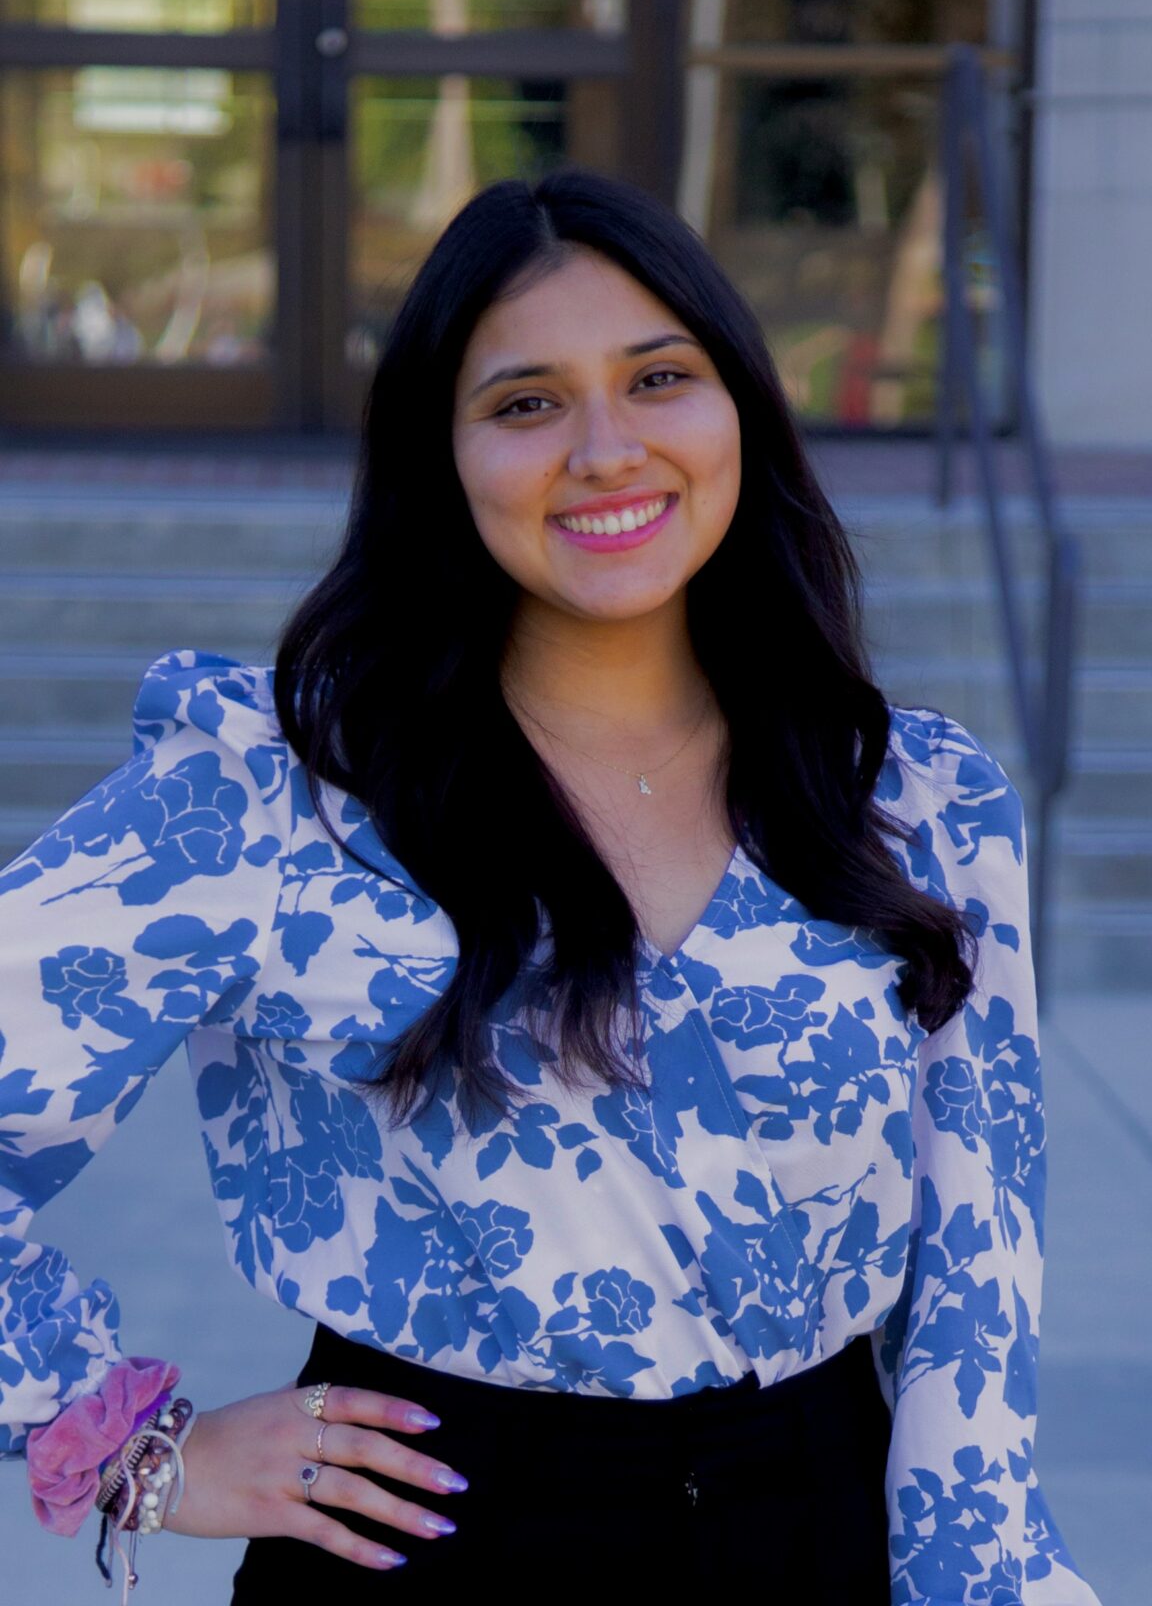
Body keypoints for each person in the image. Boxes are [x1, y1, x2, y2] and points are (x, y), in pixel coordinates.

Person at [0, 169, 1100, 1605]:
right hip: (441, 1537)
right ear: (440, 456)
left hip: (817, 1529)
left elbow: (978, 1265)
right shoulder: (274, 798)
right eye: (526, 403)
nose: (606, 448)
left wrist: (985, 1574)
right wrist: (141, 1451)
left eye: (660, 379)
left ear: (739, 413)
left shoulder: (914, 798)